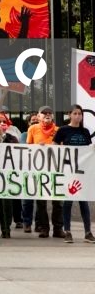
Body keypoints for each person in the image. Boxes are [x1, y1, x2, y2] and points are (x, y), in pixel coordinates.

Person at [53, 104, 95, 244]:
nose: (78, 116)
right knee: (68, 202)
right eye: (75, 113)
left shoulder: (85, 132)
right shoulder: (63, 130)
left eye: (80, 114)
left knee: (84, 202)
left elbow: (88, 151)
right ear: (69, 115)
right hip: (68, 171)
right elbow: (54, 147)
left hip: (82, 172)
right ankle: (68, 231)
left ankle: (88, 232)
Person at [26, 105, 64, 238]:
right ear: (39, 116)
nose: (47, 115)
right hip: (39, 170)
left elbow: (64, 149)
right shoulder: (32, 129)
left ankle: (58, 229)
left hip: (55, 170)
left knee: (57, 202)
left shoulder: (59, 130)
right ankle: (44, 228)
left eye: (49, 113)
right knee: (41, 202)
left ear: (52, 116)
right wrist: (37, 148)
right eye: (44, 113)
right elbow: (28, 149)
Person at [0, 113, 17, 238]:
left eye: (3, 123)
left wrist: (3, 135)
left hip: (6, 177)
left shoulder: (11, 137)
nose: (0, 125)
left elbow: (15, 149)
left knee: (6, 205)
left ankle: (6, 229)